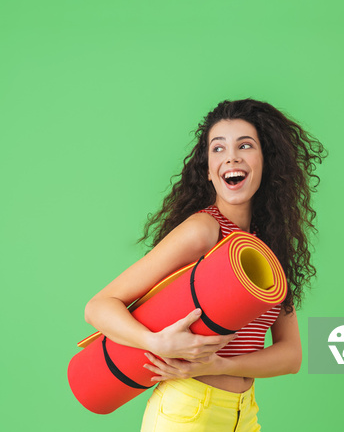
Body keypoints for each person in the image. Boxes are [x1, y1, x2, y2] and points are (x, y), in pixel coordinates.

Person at [84, 98, 325, 431]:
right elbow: (98, 307)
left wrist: (218, 363)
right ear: (209, 171)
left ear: (266, 161)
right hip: (187, 412)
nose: (231, 157)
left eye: (245, 145)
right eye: (218, 148)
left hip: (245, 414)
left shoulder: (270, 244)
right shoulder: (203, 231)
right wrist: (156, 343)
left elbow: (291, 355)